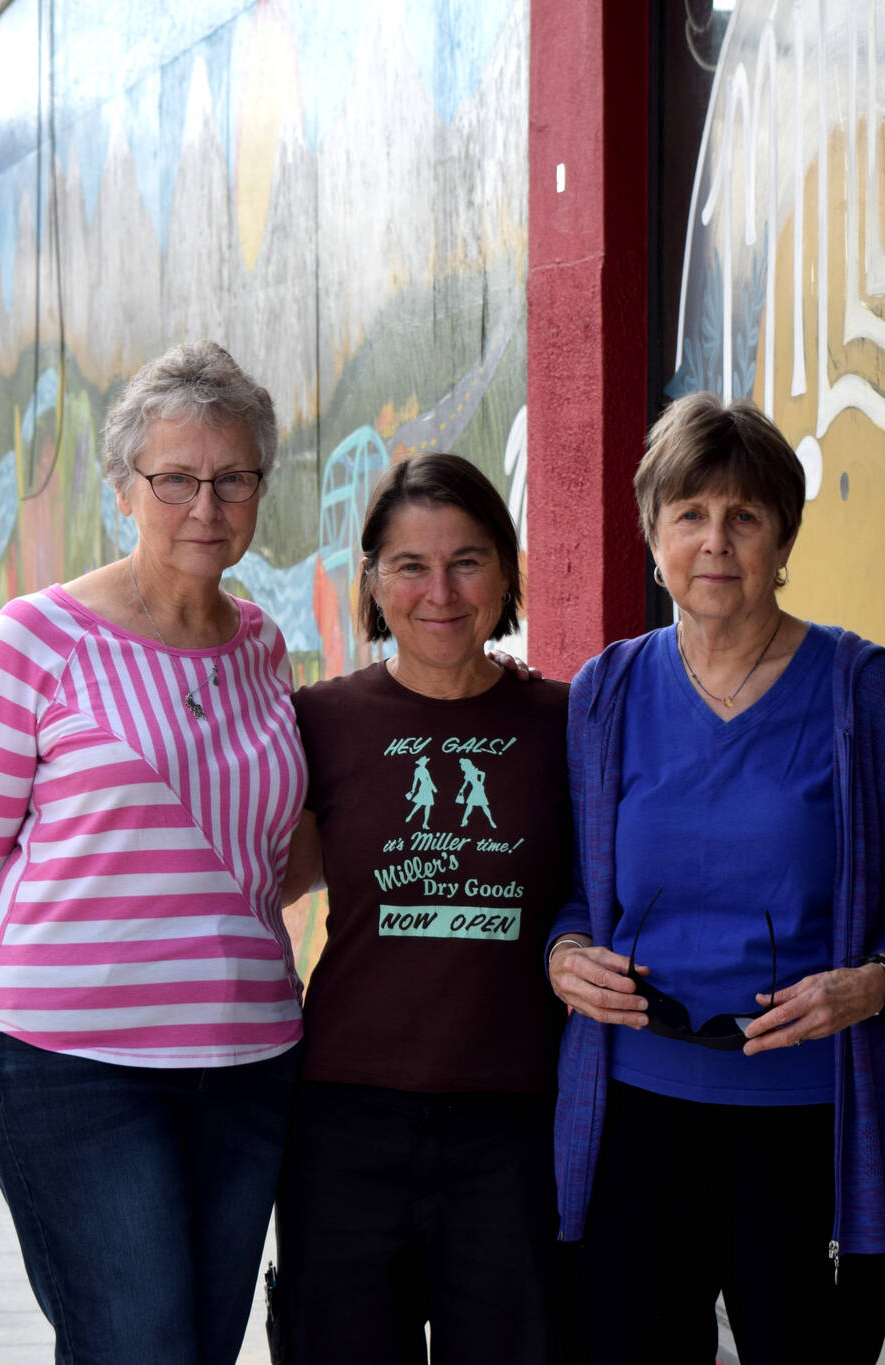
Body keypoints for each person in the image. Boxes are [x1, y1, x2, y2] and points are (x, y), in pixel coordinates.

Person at [0, 341, 306, 1365]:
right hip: (68, 1064)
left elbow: (264, 857)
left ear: (260, 489)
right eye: (174, 479)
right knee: (137, 1346)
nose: (204, 505)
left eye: (232, 478)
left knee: (202, 1348)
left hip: (248, 1061)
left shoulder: (263, 647)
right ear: (125, 488)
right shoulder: (35, 640)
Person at [544, 393, 885, 1364]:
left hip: (803, 1118)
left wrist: (870, 984)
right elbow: (574, 891)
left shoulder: (859, 690)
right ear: (653, 536)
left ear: (784, 538)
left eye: (744, 516)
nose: (714, 541)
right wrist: (563, 954)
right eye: (689, 513)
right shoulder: (605, 692)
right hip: (636, 1118)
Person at [272, 452, 571, 1364]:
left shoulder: (568, 722)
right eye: (411, 565)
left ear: (506, 572)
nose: (440, 592)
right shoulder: (320, 721)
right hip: (345, 1120)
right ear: (373, 581)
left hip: (516, 1124)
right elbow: (267, 878)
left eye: (466, 561)